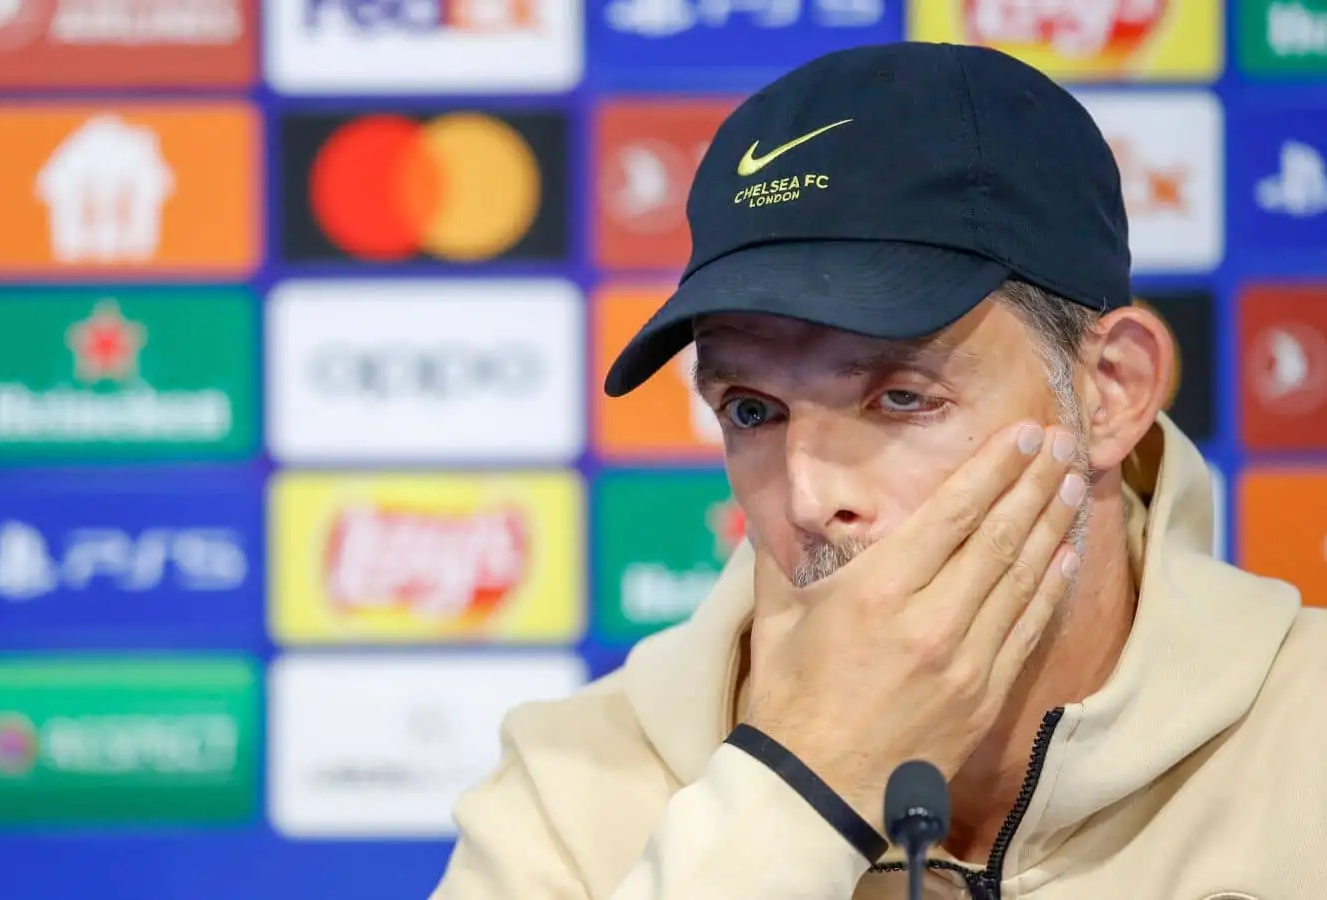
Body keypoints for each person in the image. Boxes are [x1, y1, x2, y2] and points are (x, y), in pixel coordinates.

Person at [427, 41, 1327, 900]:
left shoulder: (1307, 735)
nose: (811, 499)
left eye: (901, 398)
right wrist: (803, 783)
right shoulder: (571, 788)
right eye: (752, 409)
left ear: (1110, 392)